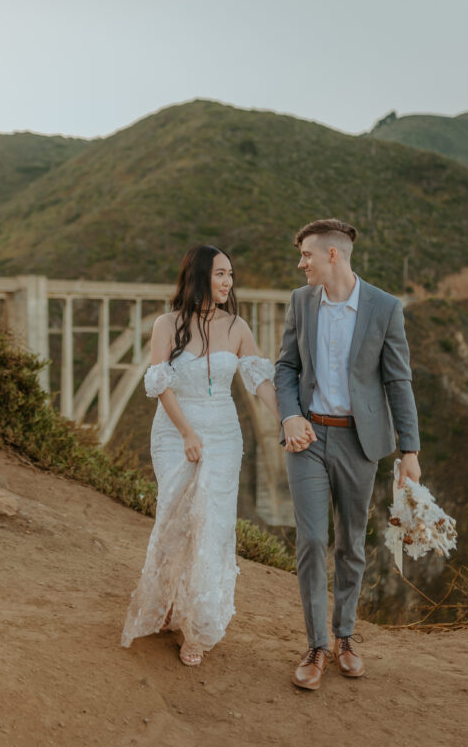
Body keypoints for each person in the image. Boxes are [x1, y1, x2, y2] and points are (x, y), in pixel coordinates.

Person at [121, 244, 294, 666]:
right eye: (220, 274)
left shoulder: (237, 326)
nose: (227, 282)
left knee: (211, 525)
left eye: (230, 275)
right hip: (175, 432)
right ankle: (164, 605)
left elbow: (259, 380)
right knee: (175, 518)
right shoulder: (166, 324)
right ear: (199, 276)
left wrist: (288, 417)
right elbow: (160, 383)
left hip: (223, 434)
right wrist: (186, 433)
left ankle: (196, 626)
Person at [275, 218, 422, 690]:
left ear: (332, 255)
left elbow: (399, 381)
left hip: (361, 444)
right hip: (308, 440)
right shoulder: (301, 302)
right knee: (314, 539)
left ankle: (345, 638)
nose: (301, 265)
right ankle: (316, 645)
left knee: (351, 544)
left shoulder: (385, 308)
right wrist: (289, 415)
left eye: (306, 256)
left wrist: (411, 451)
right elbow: (286, 368)